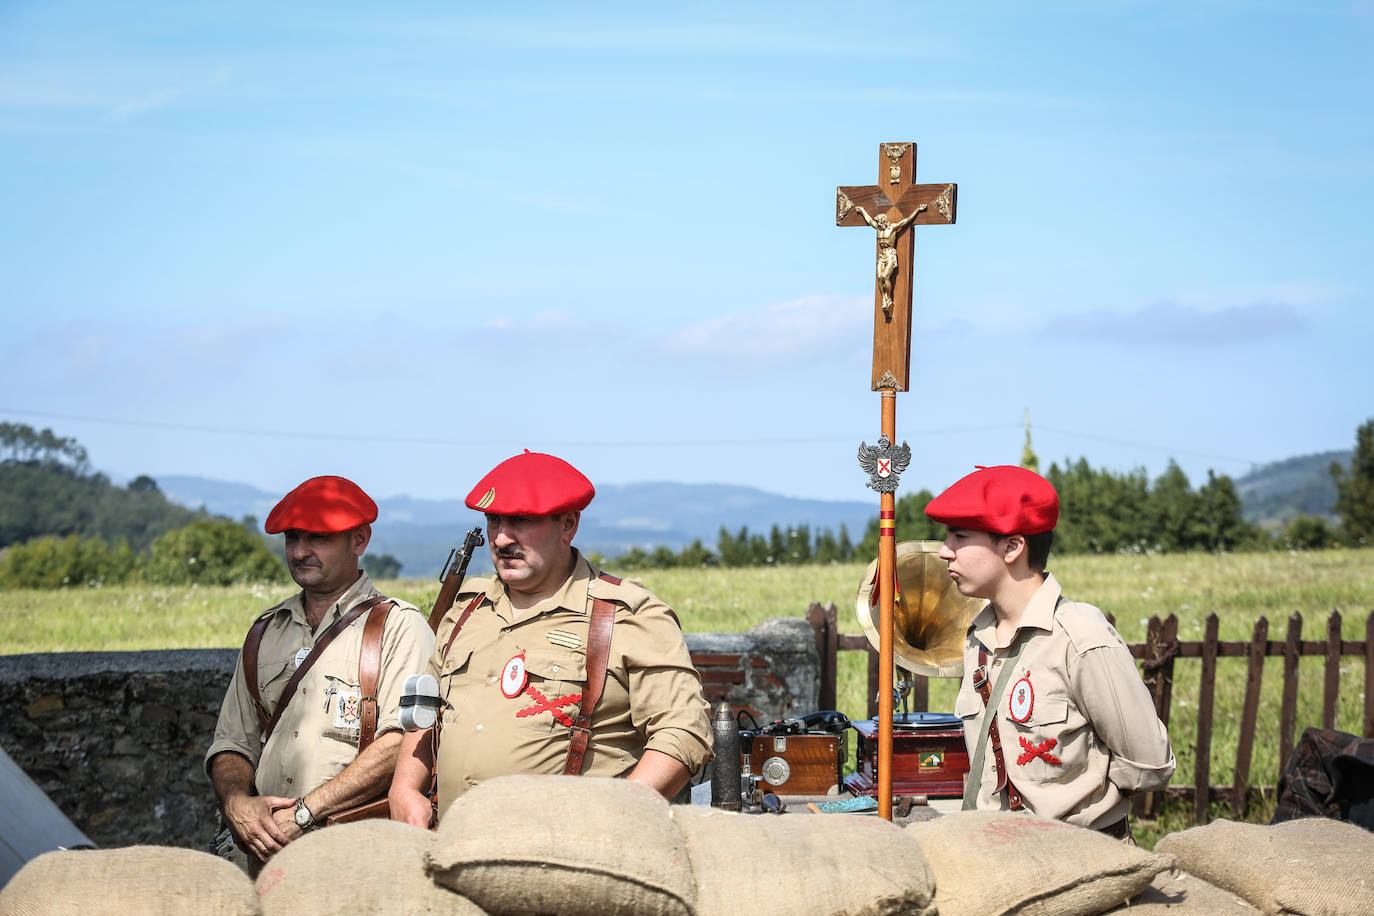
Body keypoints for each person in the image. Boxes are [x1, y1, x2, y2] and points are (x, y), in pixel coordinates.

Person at [389, 450, 712, 825]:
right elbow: (426, 707)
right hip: (451, 843)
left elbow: (684, 731)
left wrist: (619, 816)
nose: (502, 537)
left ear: (568, 525)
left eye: (522, 521)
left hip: (569, 856)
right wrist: (405, 788)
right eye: (494, 519)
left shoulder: (625, 615)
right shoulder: (465, 610)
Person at [925, 465, 1175, 838]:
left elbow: (1149, 762)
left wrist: (1087, 809)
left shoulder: (1079, 635)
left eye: (960, 536)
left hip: (1078, 861)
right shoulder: (979, 636)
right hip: (995, 853)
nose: (945, 551)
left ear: (1012, 547)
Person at [205, 476, 434, 867]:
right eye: (292, 538)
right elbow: (232, 742)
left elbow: (400, 743)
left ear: (359, 541)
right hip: (263, 851)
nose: (300, 551)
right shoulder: (266, 630)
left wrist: (303, 815)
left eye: (318, 538)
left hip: (353, 853)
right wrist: (238, 804)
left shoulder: (397, 627)